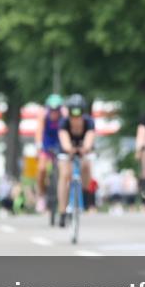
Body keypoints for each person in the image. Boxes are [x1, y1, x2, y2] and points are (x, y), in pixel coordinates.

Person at [57, 93, 96, 227]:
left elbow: (90, 139)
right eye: (73, 116)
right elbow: (64, 140)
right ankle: (62, 211)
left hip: (83, 149)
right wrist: (70, 149)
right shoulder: (64, 122)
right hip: (68, 150)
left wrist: (85, 148)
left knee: (86, 166)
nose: (76, 119)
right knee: (65, 175)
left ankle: (84, 192)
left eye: (78, 115)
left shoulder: (89, 122)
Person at [36, 94, 64, 200]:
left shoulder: (63, 116)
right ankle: (41, 194)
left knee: (64, 169)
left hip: (60, 142)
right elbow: (39, 131)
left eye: (56, 110)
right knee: (41, 169)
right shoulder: (43, 116)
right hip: (46, 144)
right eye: (51, 110)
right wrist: (39, 145)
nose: (54, 112)